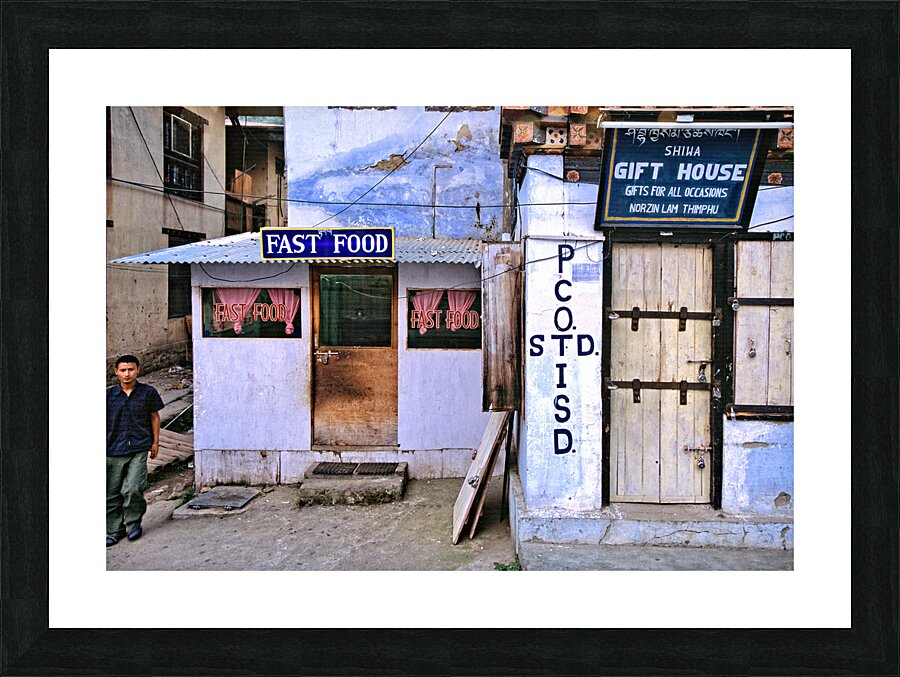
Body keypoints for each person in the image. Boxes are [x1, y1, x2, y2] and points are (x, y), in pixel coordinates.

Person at [106, 355, 164, 547]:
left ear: (138, 370)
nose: (127, 374)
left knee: (132, 488)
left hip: (138, 447)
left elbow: (154, 417)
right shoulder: (108, 396)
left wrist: (155, 442)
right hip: (113, 448)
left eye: (131, 369)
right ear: (116, 372)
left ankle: (133, 524)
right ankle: (114, 530)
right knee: (111, 492)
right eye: (123, 370)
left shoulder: (147, 393)